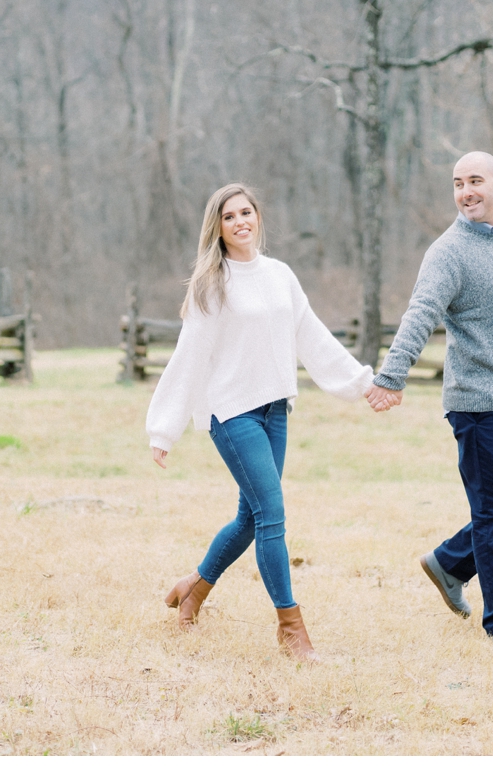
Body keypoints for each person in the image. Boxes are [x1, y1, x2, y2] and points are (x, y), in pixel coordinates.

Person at [147, 182, 374, 662]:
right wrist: (164, 427)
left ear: (257, 217)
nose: (240, 222)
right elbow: (190, 357)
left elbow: (312, 336)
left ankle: (193, 588)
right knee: (272, 514)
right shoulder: (214, 283)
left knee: (250, 519)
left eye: (245, 212)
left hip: (275, 409)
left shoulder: (280, 275)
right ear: (219, 228)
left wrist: (359, 383)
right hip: (231, 412)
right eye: (229, 217)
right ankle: (291, 630)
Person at [366, 152, 493, 652]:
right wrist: (392, 376)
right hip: (479, 404)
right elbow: (420, 314)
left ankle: (450, 562)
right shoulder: (448, 252)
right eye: (457, 183)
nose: (466, 191)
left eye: (475, 181)